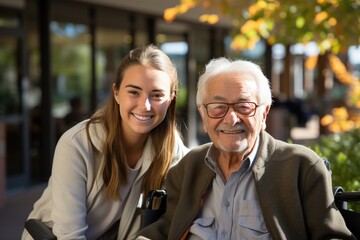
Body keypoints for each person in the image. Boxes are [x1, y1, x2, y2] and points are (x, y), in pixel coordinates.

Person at [137, 58, 355, 239]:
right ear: (203, 115)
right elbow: (167, 227)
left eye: (244, 107)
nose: (231, 119)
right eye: (218, 107)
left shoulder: (302, 167)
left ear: (264, 114)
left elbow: (332, 236)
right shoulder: (188, 166)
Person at [22, 45, 189, 240]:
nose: (145, 106)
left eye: (157, 95)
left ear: (170, 99)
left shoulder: (171, 149)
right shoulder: (76, 145)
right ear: (116, 93)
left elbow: (171, 219)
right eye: (134, 92)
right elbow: (69, 236)